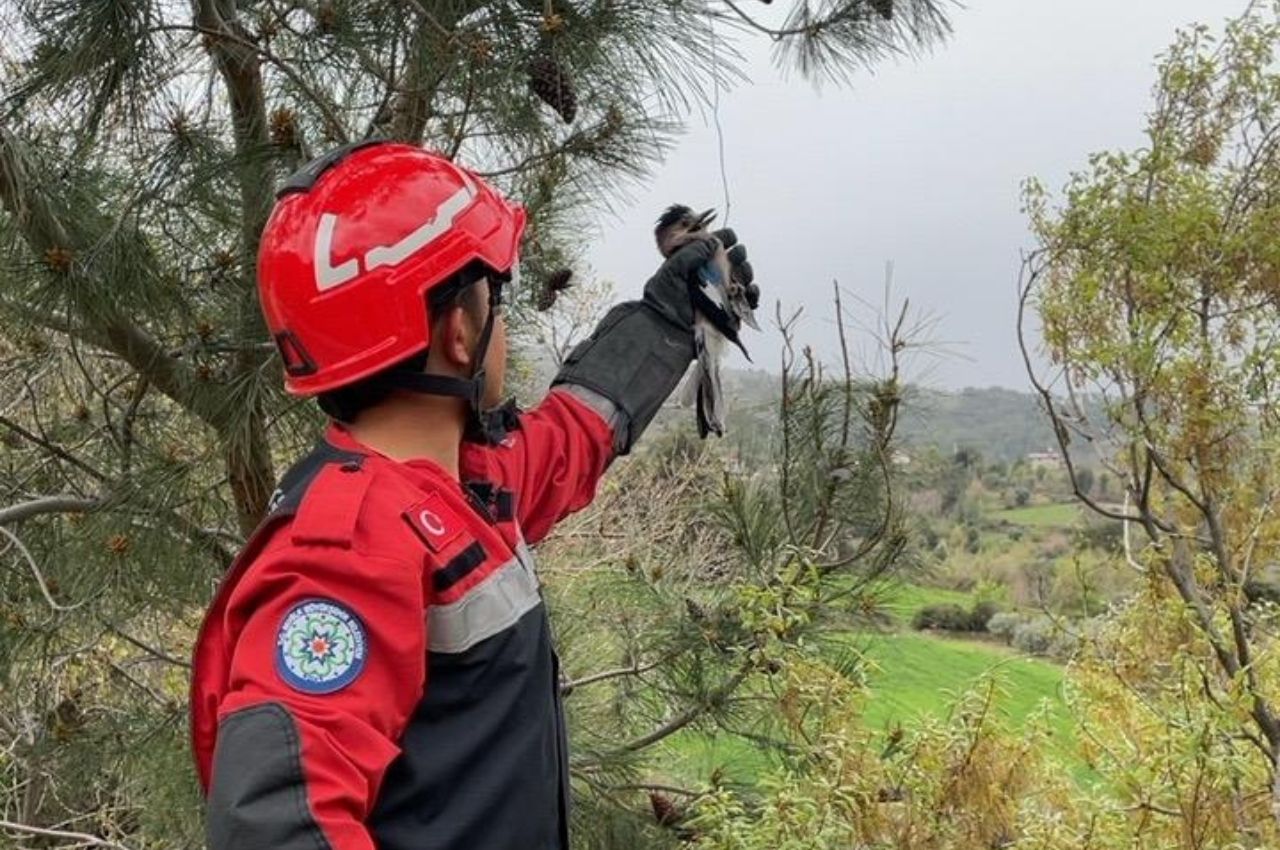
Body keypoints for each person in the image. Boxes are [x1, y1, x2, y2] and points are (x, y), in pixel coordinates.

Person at [189, 141, 754, 850]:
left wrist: (667, 319)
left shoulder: (462, 486)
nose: (501, 324)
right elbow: (272, 823)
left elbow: (573, 437)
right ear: (460, 332)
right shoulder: (342, 553)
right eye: (495, 298)